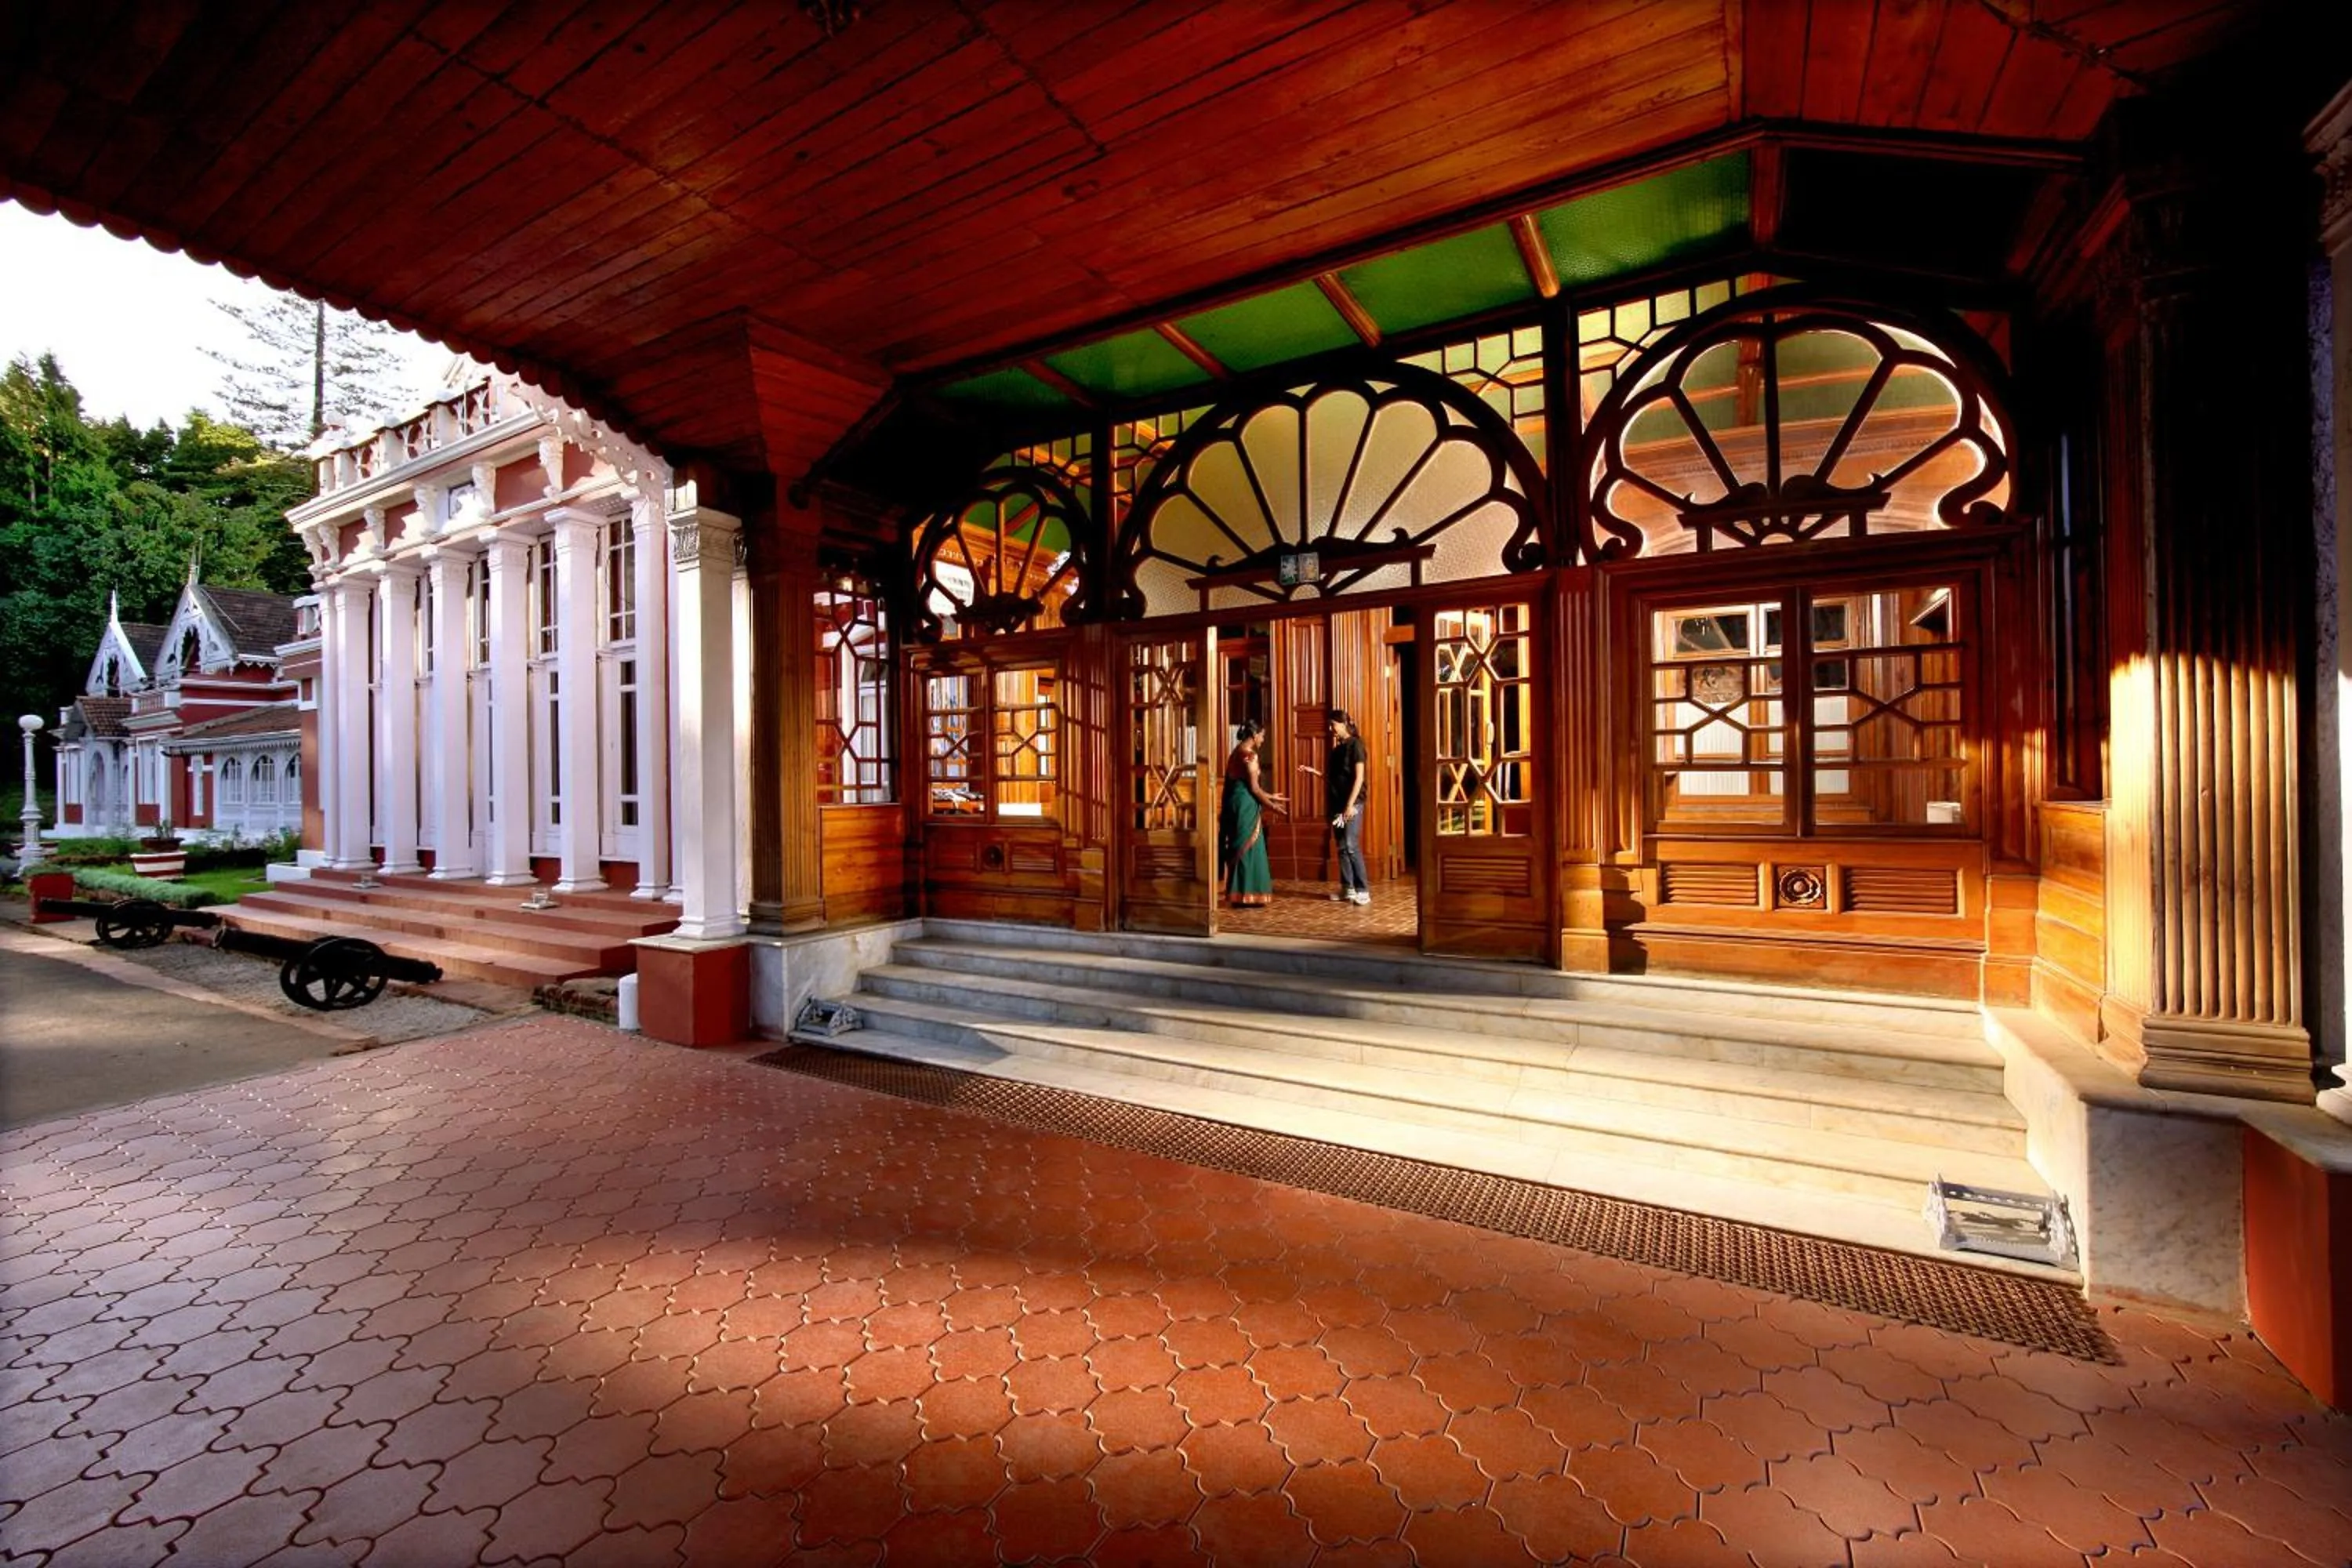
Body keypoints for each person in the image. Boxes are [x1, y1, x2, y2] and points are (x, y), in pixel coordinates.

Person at [1219, 720, 1285, 908]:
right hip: (1246, 806)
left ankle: (1239, 893)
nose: (1263, 739)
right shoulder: (1250, 756)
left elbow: (1246, 785)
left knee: (1240, 844)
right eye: (1262, 735)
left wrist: (1271, 796)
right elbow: (1255, 789)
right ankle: (1248, 893)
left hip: (1235, 804)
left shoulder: (1235, 753)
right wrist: (1273, 806)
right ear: (1255, 735)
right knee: (1248, 847)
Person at [1325, 708, 1370, 906]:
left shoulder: (1356, 746)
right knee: (1341, 847)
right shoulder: (1337, 750)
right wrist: (1314, 772)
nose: (1331, 729)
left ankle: (1363, 890)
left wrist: (1350, 805)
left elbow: (1359, 777)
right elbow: (1334, 778)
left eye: (1333, 724)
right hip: (1338, 803)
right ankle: (1348, 889)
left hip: (1353, 804)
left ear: (1343, 724)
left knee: (1351, 846)